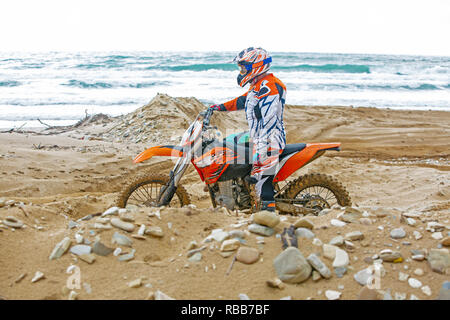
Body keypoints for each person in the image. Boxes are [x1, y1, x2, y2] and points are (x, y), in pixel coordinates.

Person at [209, 47, 286, 212]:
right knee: (230, 145)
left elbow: (269, 122)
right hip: (257, 136)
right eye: (240, 67)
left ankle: (267, 214)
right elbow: (242, 101)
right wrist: (218, 107)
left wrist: (260, 153)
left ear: (256, 65)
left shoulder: (270, 87)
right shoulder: (257, 85)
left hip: (270, 139)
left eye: (244, 67)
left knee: (261, 179)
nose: (241, 71)